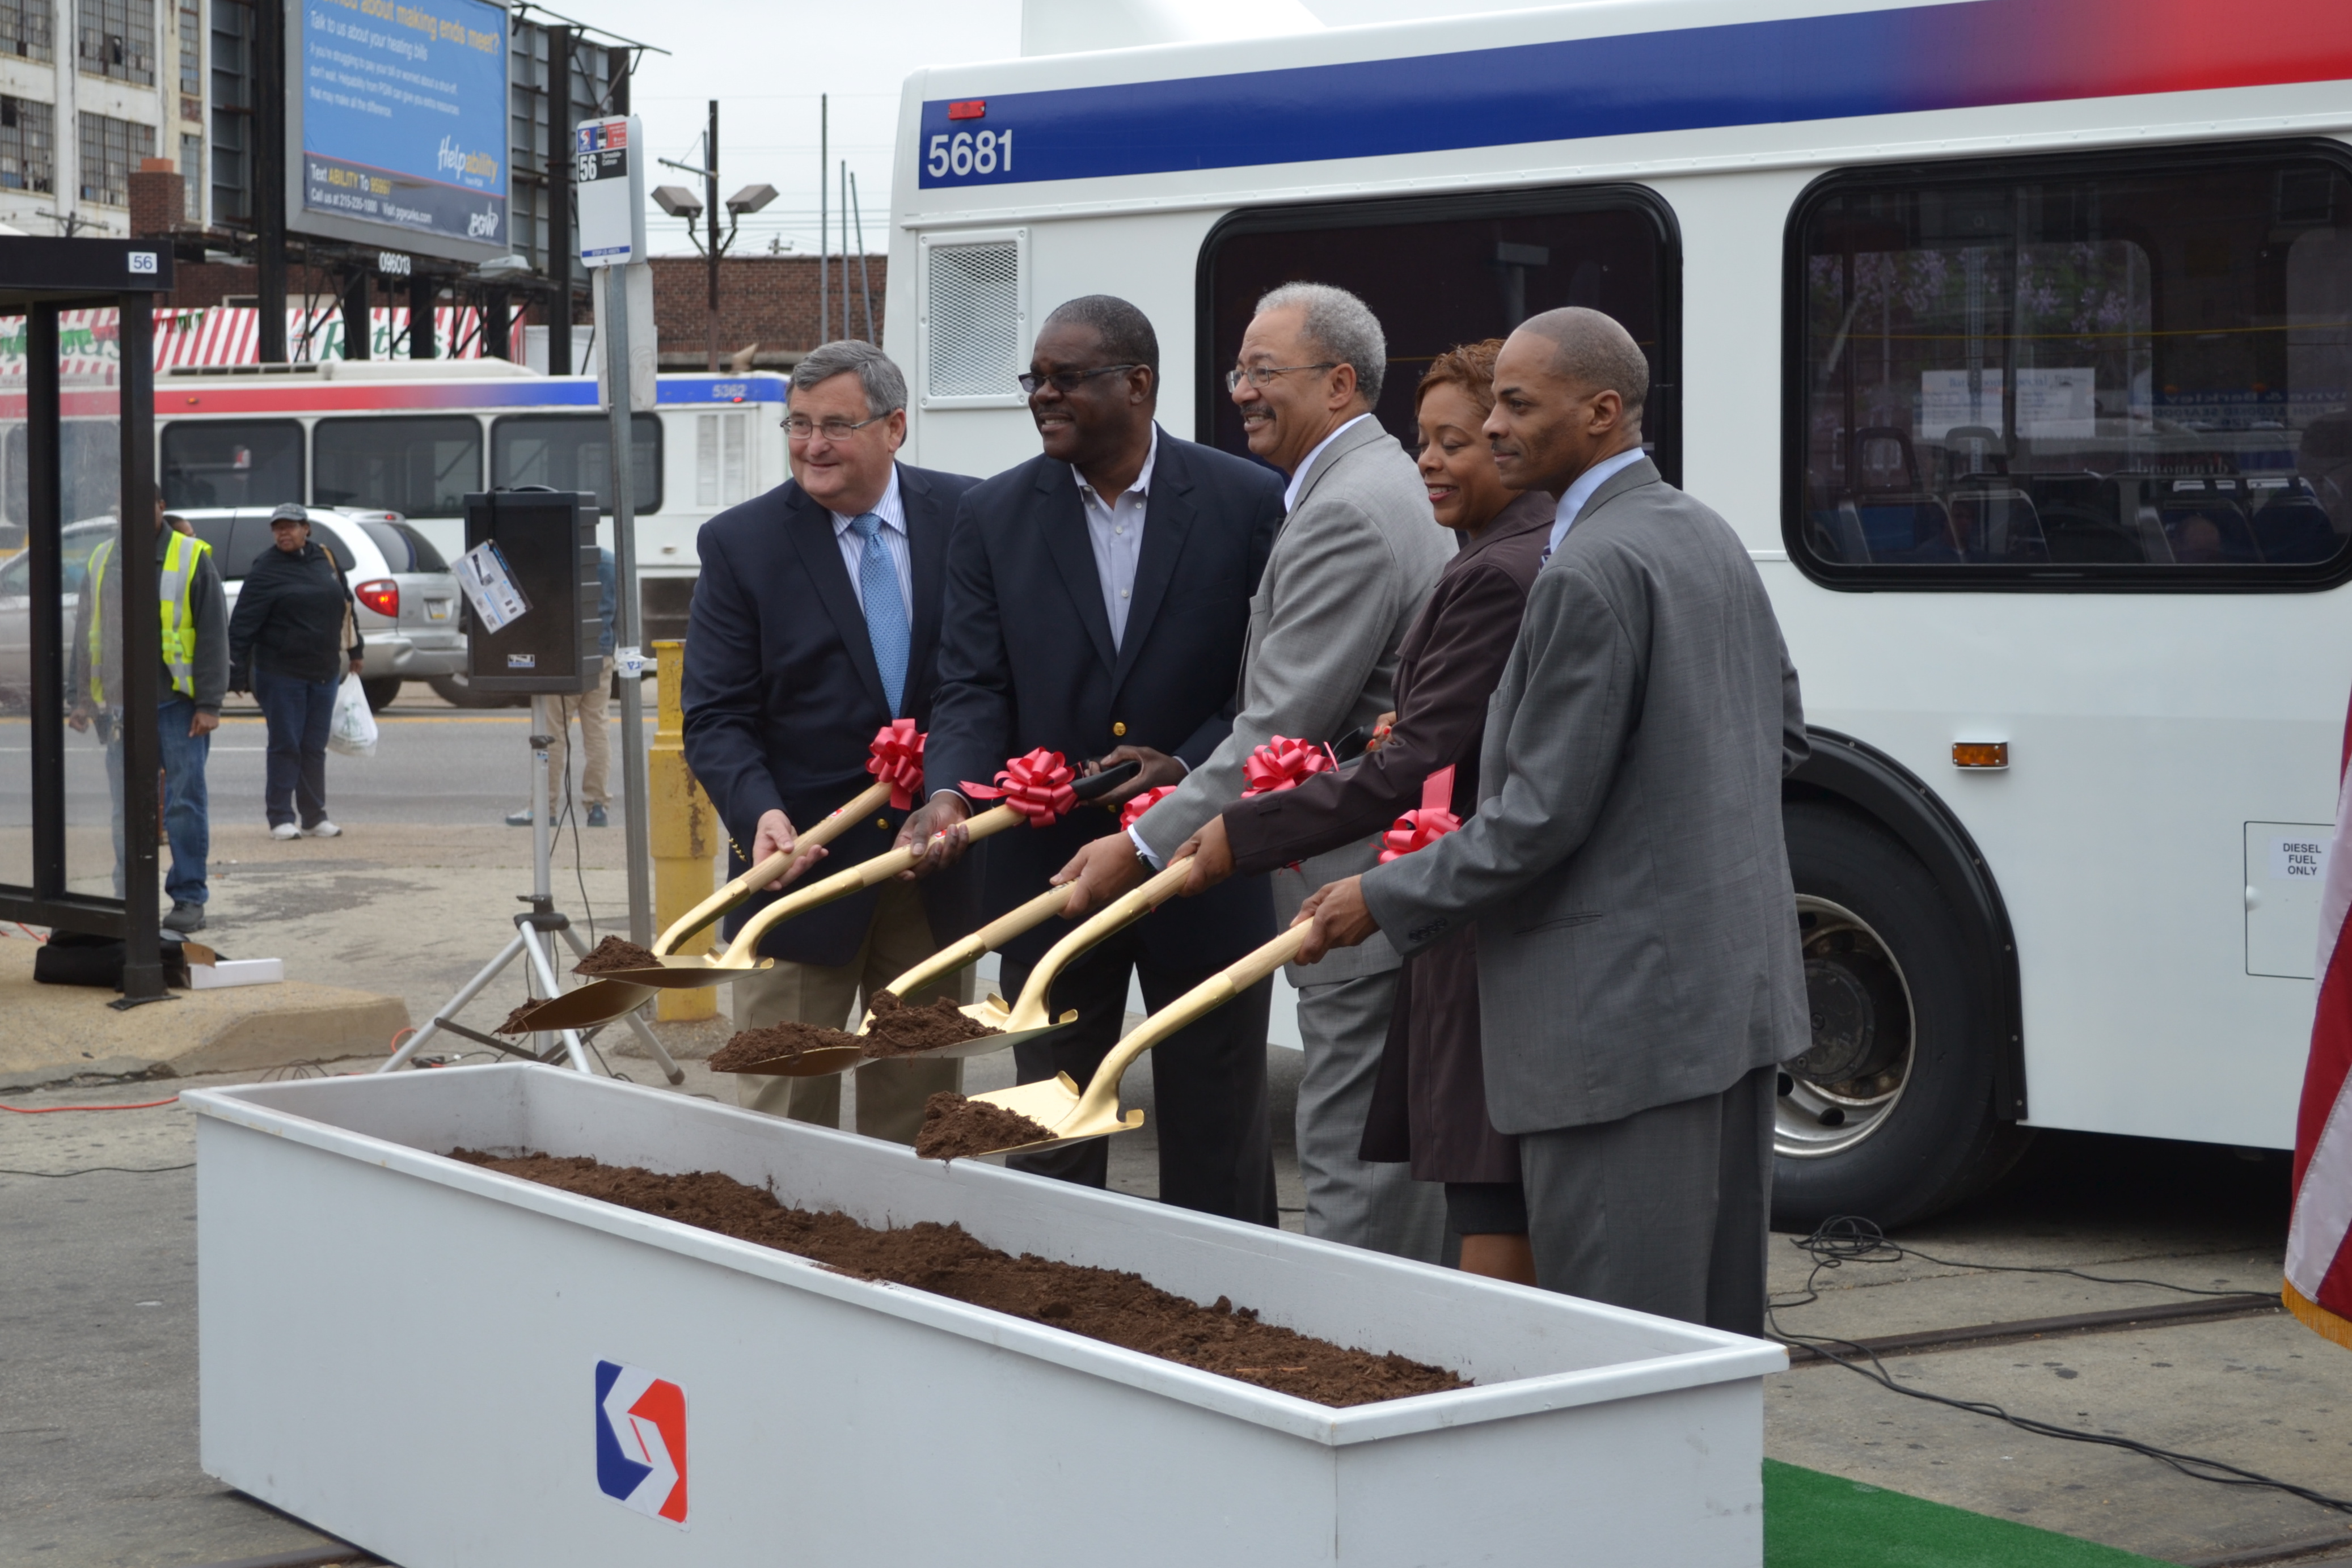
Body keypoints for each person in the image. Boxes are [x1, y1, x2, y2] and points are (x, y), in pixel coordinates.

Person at [1294, 308, 1810, 1334]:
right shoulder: (1701, 530)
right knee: (1703, 1339)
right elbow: (1780, 738)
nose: (1490, 428)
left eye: (1517, 406)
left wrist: (1378, 897)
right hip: (1723, 1005)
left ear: (1602, 413)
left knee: (1614, 1349)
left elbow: (1535, 822)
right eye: (1493, 404)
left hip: (1616, 1035)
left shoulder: (1588, 570)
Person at [1050, 281, 1453, 1261]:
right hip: (1364, 880)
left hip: (1350, 889)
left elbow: (1279, 724)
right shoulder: (1364, 484)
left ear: (1343, 382)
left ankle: (1355, 1374)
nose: (1240, 392)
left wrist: (1139, 846)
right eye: (1239, 371)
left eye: (1265, 372)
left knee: (1355, 1173)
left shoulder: (1346, 512)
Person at [1169, 340, 1553, 1282]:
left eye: (1460, 441)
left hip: (1379, 899)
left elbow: (1399, 752)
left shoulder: (1479, 563)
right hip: (1417, 901)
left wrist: (1217, 834)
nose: (1432, 461)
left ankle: (1353, 1376)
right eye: (1427, 439)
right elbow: (1415, 737)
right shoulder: (1476, 541)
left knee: (1363, 1185)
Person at [908, 294, 1286, 1222]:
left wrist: (1188, 765)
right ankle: (1057, 1313)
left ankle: (1225, 1319)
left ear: (1138, 384)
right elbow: (970, 685)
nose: (1043, 395)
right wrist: (950, 789)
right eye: (1033, 379)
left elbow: (1269, 682)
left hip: (1202, 864)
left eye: (1065, 378)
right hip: (1047, 873)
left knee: (1216, 1125)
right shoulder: (990, 515)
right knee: (1051, 1121)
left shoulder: (1244, 501)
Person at [681, 340, 982, 1144]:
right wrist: (759, 816)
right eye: (799, 424)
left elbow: (992, 685)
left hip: (934, 871)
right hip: (799, 876)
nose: (811, 446)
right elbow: (714, 716)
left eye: (835, 427)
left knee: (919, 1115)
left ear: (895, 428)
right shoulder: (740, 545)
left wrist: (959, 789)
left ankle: (909, 1256)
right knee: (784, 1115)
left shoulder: (971, 519)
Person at [66, 501, 229, 935]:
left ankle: (189, 897)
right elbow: (86, 630)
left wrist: (209, 704)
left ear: (158, 507)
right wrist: (81, 697)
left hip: (176, 705)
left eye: (137, 503)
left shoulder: (191, 555)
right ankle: (128, 897)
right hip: (122, 707)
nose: (128, 513)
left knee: (183, 804)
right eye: (119, 505)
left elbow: (214, 631)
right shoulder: (104, 558)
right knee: (125, 808)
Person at [226, 504, 362, 842]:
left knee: (313, 745)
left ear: (307, 530)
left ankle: (315, 817)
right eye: (278, 528)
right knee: (286, 744)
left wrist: (357, 651)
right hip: (280, 672)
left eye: (290, 527)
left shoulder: (326, 560)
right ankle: (280, 817)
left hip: (324, 670)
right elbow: (243, 623)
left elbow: (345, 605)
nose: (283, 534)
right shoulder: (266, 568)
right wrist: (237, 673)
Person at [508, 543, 615, 828]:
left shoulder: (554, 558)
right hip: (600, 653)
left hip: (560, 658)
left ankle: (545, 808)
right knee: (597, 730)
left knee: (551, 733)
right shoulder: (609, 561)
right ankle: (598, 806)